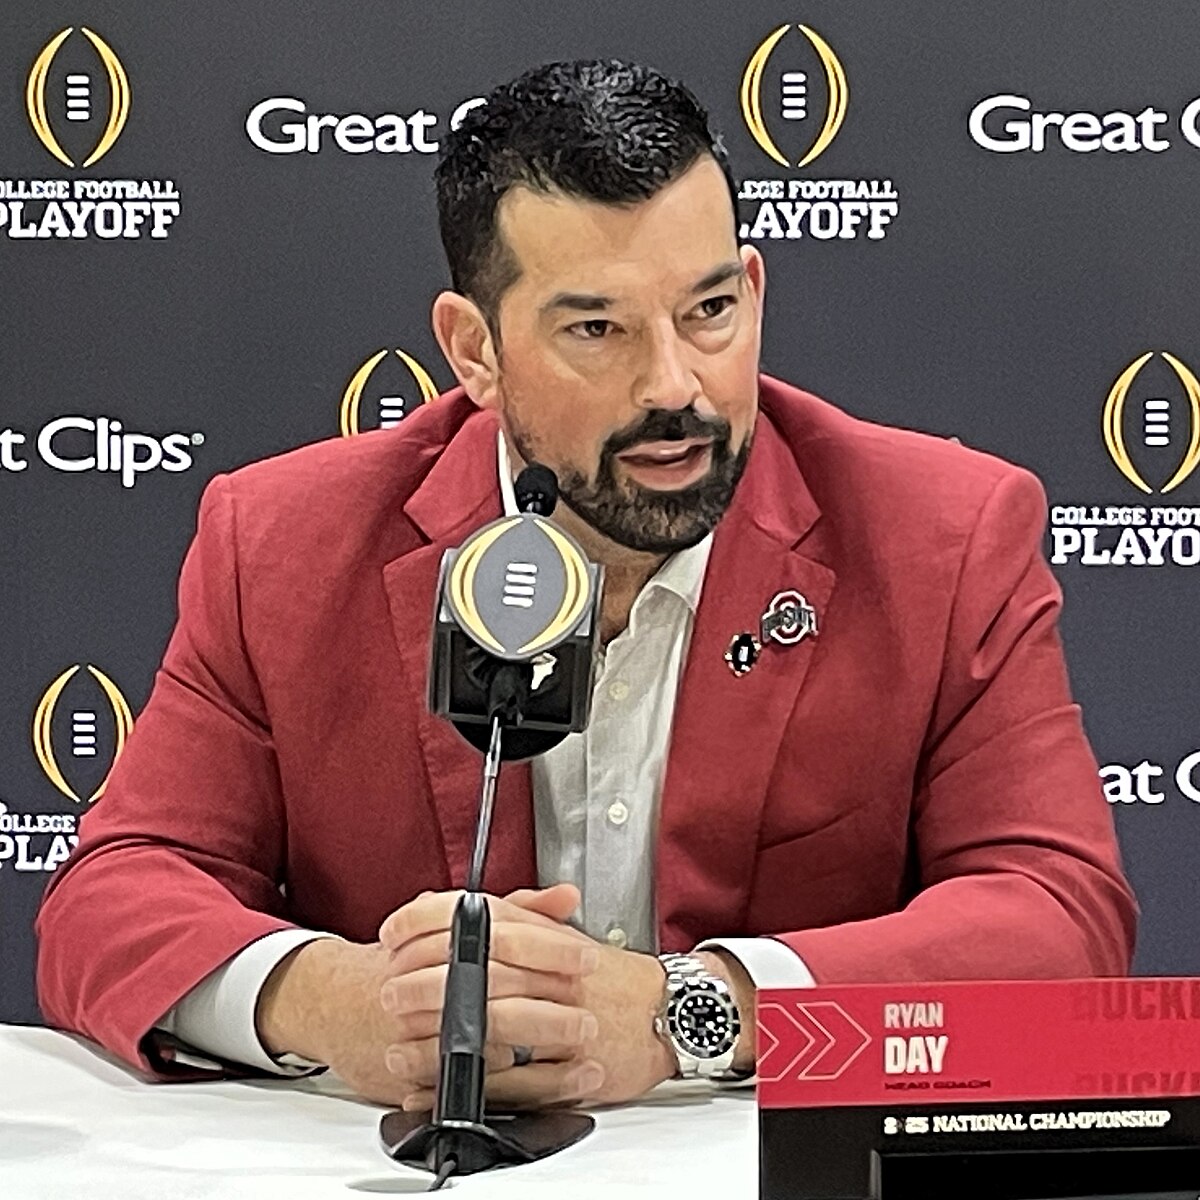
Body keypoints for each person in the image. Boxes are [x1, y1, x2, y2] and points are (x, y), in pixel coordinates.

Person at [35, 59, 1136, 1115]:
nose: (674, 386)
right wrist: (334, 1003)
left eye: (709, 311)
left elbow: (1060, 920)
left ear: (753, 291)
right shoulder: (282, 544)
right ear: (475, 350)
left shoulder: (944, 539)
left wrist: (695, 1010)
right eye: (596, 329)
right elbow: (113, 895)